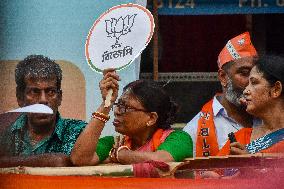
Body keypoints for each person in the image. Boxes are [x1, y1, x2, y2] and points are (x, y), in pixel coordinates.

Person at [71, 69, 193, 166]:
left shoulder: (178, 138)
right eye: (118, 105)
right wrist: (106, 103)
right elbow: (79, 159)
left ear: (151, 118)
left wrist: (121, 155)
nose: (117, 111)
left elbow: (161, 161)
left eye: (126, 107)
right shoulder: (113, 143)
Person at [0, 55, 87, 167]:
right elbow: (59, 161)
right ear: (20, 97)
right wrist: (51, 161)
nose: (43, 100)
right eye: (34, 91)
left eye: (50, 91)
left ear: (59, 97)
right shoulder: (4, 132)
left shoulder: (79, 133)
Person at [183, 32, 259, 158]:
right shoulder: (195, 129)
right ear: (223, 77)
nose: (252, 81)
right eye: (245, 73)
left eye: (256, 75)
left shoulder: (270, 116)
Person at [230, 55, 284, 155]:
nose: (245, 91)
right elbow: (212, 169)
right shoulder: (239, 138)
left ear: (276, 89)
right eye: (247, 84)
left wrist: (252, 162)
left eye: (254, 83)